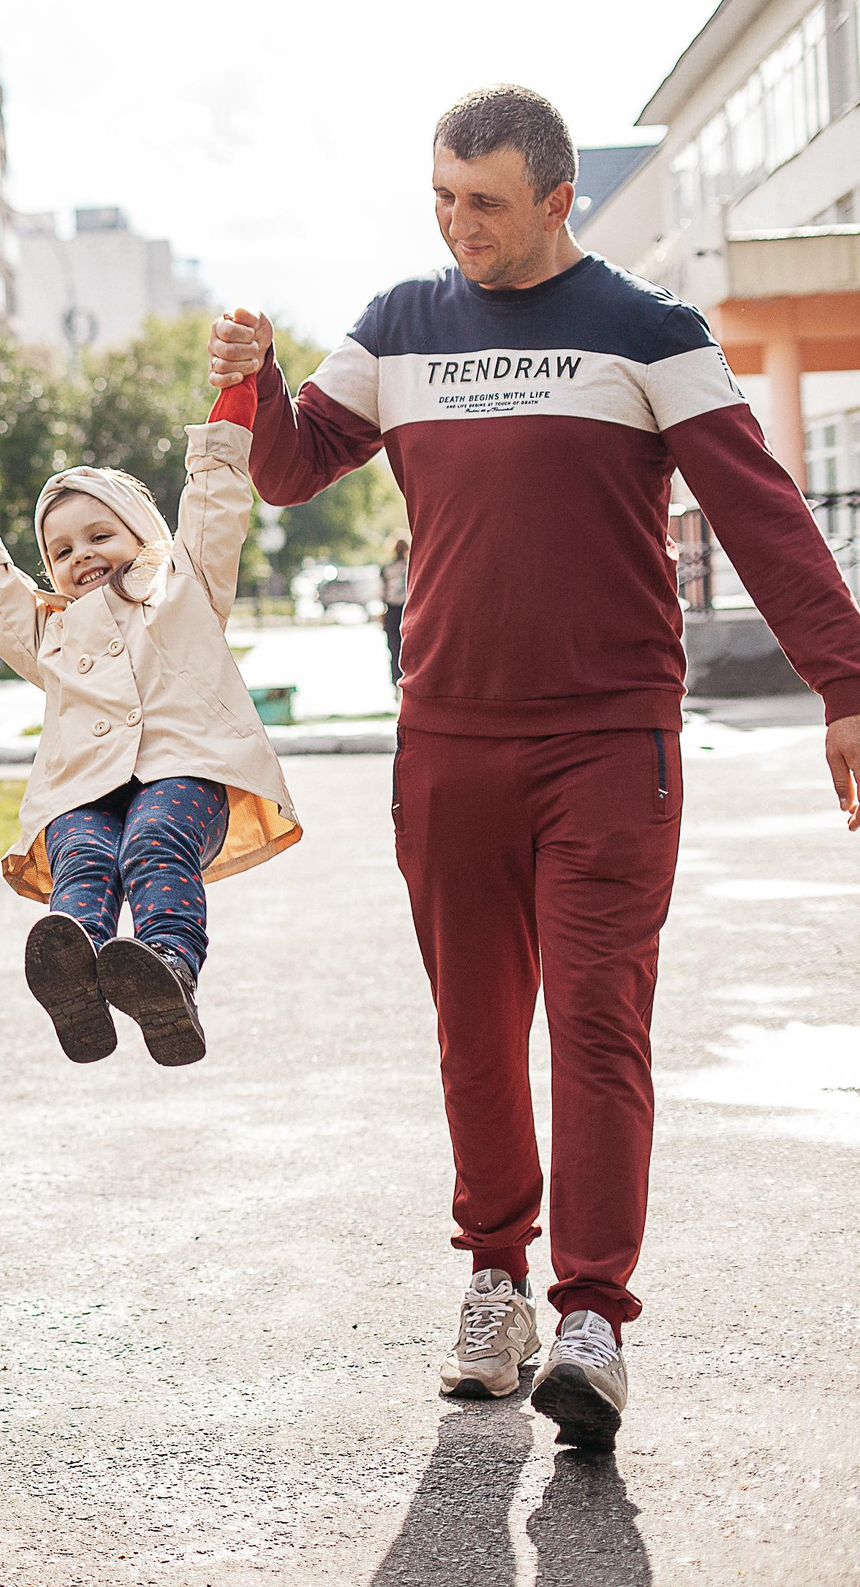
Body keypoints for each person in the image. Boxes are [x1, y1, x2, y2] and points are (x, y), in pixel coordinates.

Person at [209, 84, 860, 1450]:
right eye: (442, 198)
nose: (460, 227)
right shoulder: (399, 323)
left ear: (560, 200)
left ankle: (594, 1319)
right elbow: (285, 470)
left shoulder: (649, 330)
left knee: (601, 1025)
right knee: (475, 1030)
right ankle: (495, 1279)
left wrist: (847, 683)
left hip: (611, 741)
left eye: (486, 203)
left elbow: (760, 509)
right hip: (448, 740)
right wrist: (251, 375)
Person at [0, 385, 300, 1067]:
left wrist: (237, 390)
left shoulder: (186, 586)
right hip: (82, 790)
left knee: (155, 840)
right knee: (85, 858)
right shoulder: (50, 630)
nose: (81, 555)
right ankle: (79, 975)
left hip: (182, 773)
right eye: (61, 550)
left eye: (100, 536)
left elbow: (216, 501)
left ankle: (166, 970)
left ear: (145, 537)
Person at [381, 535, 411, 687]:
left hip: (392, 611)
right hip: (409, 610)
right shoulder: (412, 567)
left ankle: (396, 681)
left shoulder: (387, 569)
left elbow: (382, 594)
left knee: (394, 649)